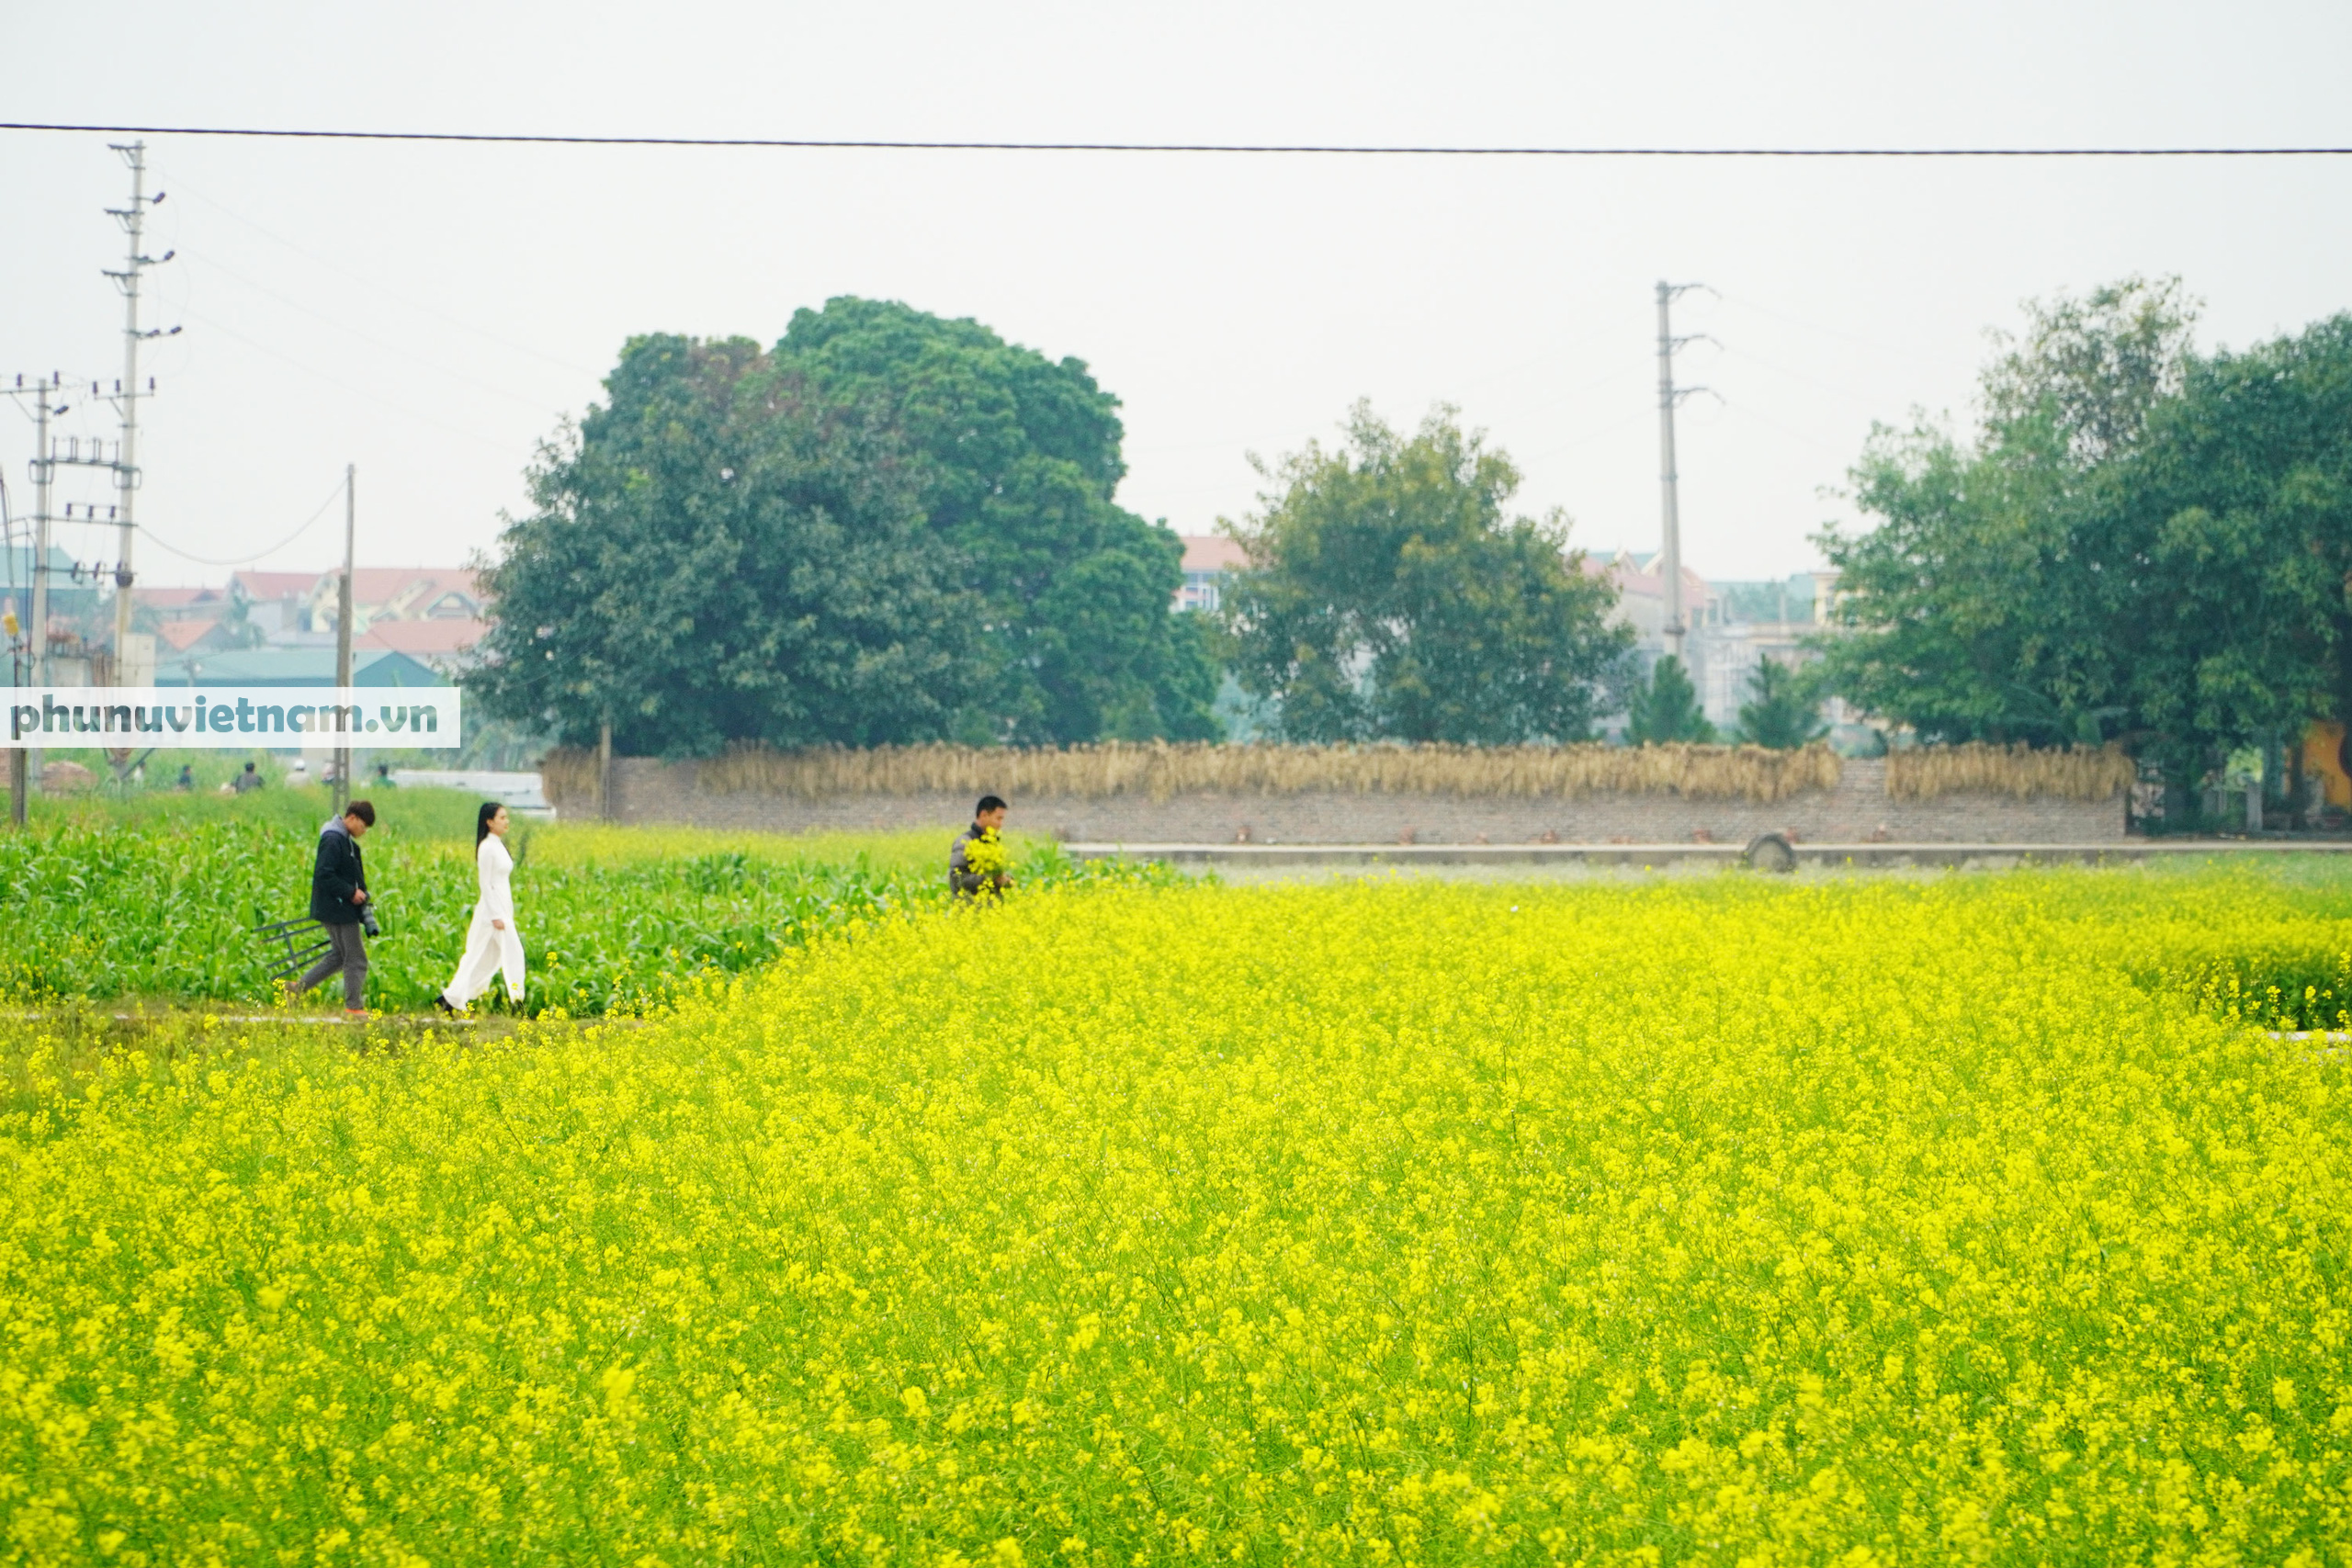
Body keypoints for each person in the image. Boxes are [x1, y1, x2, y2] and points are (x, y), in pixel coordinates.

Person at [437, 801, 526, 1014]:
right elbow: (485, 883)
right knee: (511, 953)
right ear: (489, 822)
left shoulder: (499, 845)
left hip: (503, 908)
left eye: (506, 817)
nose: (507, 822)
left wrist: (505, 911)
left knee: (485, 958)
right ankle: (517, 1002)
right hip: (491, 912)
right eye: (502, 818)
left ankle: (450, 998)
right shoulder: (486, 847)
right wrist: (496, 915)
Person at [293, 799, 376, 1019]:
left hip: (332, 907)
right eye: (363, 826)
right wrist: (351, 892)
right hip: (338, 908)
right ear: (352, 818)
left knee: (340, 956)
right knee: (356, 958)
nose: (364, 831)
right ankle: (353, 1008)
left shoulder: (341, 838)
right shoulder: (333, 839)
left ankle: (296, 990)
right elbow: (324, 874)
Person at [949, 795, 1013, 901]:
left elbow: (999, 876)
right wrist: (991, 880)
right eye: (998, 818)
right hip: (969, 910)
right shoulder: (965, 842)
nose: (1001, 824)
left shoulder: (993, 844)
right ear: (984, 815)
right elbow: (957, 880)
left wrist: (1007, 881)